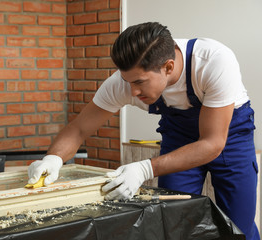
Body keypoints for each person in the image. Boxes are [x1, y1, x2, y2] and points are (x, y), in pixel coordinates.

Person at [27, 22, 259, 240]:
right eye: (127, 81)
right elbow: (78, 129)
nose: (132, 91)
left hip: (230, 138)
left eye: (139, 82)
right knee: (174, 221)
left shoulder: (213, 61)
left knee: (238, 226)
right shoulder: (123, 83)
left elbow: (212, 143)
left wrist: (145, 168)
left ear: (168, 67)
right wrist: (53, 158)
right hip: (179, 137)